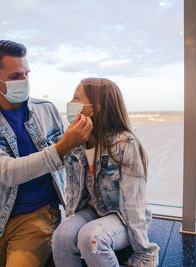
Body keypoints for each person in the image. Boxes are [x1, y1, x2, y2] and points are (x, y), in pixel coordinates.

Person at [0, 40, 92, 267]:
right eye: (15, 76)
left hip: (39, 214)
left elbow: (74, 159)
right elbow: (7, 171)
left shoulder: (47, 110)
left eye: (26, 74)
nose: (24, 81)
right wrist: (61, 148)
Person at [52, 78, 159, 267]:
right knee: (62, 235)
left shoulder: (125, 145)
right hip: (92, 211)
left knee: (91, 238)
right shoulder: (75, 143)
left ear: (94, 109)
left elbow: (134, 204)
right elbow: (73, 193)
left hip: (121, 217)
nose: (70, 103)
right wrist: (72, 223)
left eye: (76, 98)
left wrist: (143, 251)